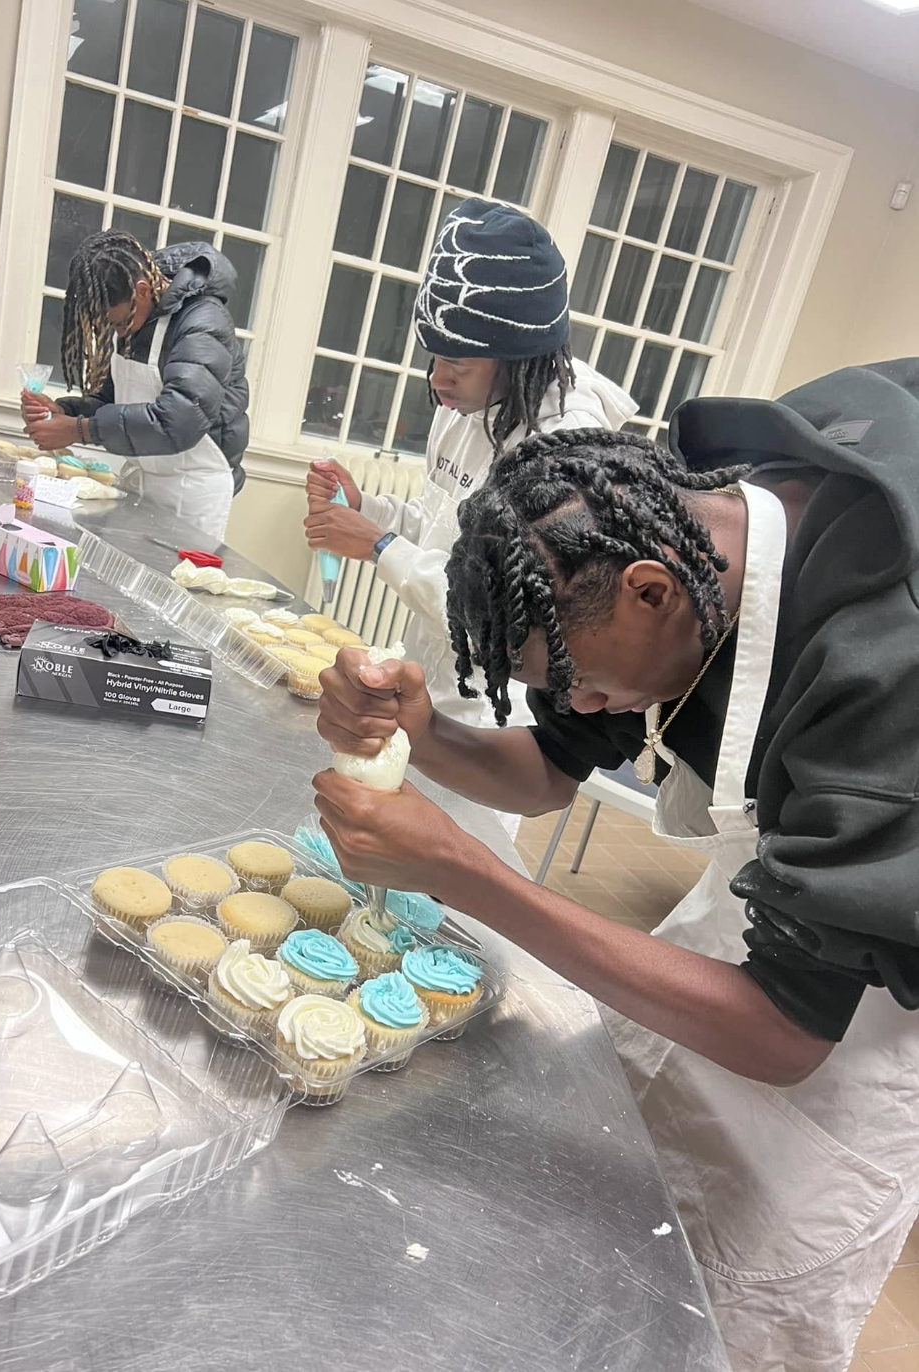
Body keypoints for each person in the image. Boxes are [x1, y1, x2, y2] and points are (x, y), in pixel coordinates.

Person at [311, 359, 919, 1372]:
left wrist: (472, 875)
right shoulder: (664, 529)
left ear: (651, 591)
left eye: (584, 682)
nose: (585, 704)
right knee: (629, 1249)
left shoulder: (883, 654)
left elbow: (786, 1031)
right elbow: (551, 769)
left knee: (744, 1304)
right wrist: (423, 731)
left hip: (870, 1005)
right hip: (763, 913)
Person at [303, 197, 635, 836]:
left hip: (493, 718)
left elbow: (504, 613)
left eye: (458, 364)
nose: (438, 380)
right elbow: (442, 526)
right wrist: (369, 509)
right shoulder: (466, 409)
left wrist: (378, 545)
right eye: (434, 358)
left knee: (452, 867)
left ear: (519, 357)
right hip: (429, 687)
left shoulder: (565, 451)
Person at [21, 230, 249, 543]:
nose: (117, 332)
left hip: (192, 491)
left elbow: (179, 420)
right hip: (143, 480)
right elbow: (113, 401)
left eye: (117, 323)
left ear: (142, 291)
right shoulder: (139, 316)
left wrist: (79, 429)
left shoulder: (203, 322)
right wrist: (64, 412)